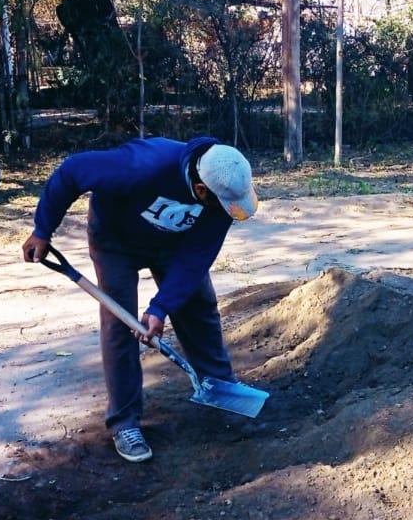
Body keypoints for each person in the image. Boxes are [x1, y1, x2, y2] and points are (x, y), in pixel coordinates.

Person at [21, 136, 257, 463]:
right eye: (220, 202)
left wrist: (161, 308)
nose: (227, 210)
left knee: (199, 306)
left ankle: (219, 388)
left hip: (174, 245)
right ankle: (124, 421)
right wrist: (43, 230)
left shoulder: (222, 196)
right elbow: (72, 172)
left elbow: (196, 257)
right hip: (116, 242)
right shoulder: (142, 168)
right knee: (120, 324)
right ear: (201, 190)